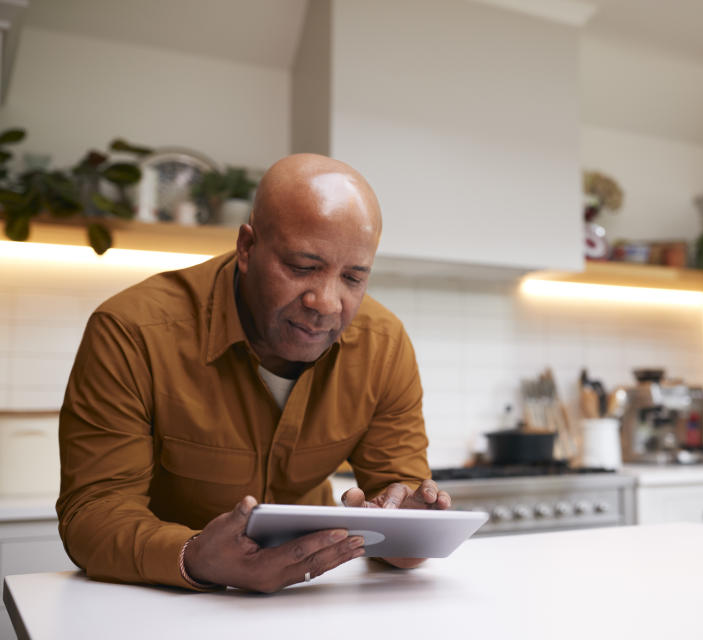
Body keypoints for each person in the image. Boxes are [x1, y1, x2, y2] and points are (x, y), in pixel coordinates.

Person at [56, 154, 451, 593]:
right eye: (303, 267)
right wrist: (195, 557)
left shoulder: (383, 344)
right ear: (247, 247)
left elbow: (399, 502)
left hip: (306, 599)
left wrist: (412, 527)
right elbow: (93, 514)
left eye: (353, 278)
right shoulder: (132, 332)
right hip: (161, 604)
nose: (326, 302)